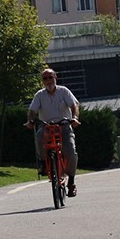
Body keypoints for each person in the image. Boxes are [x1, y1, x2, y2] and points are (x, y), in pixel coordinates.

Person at [24, 68, 80, 196]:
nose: (48, 81)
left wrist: (74, 118)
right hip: (47, 126)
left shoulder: (64, 91)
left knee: (70, 151)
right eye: (45, 78)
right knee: (39, 137)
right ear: (42, 81)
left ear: (56, 77)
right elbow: (32, 111)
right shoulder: (39, 95)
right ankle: (44, 163)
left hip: (64, 125)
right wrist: (30, 121)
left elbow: (74, 106)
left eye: (50, 77)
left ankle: (71, 182)